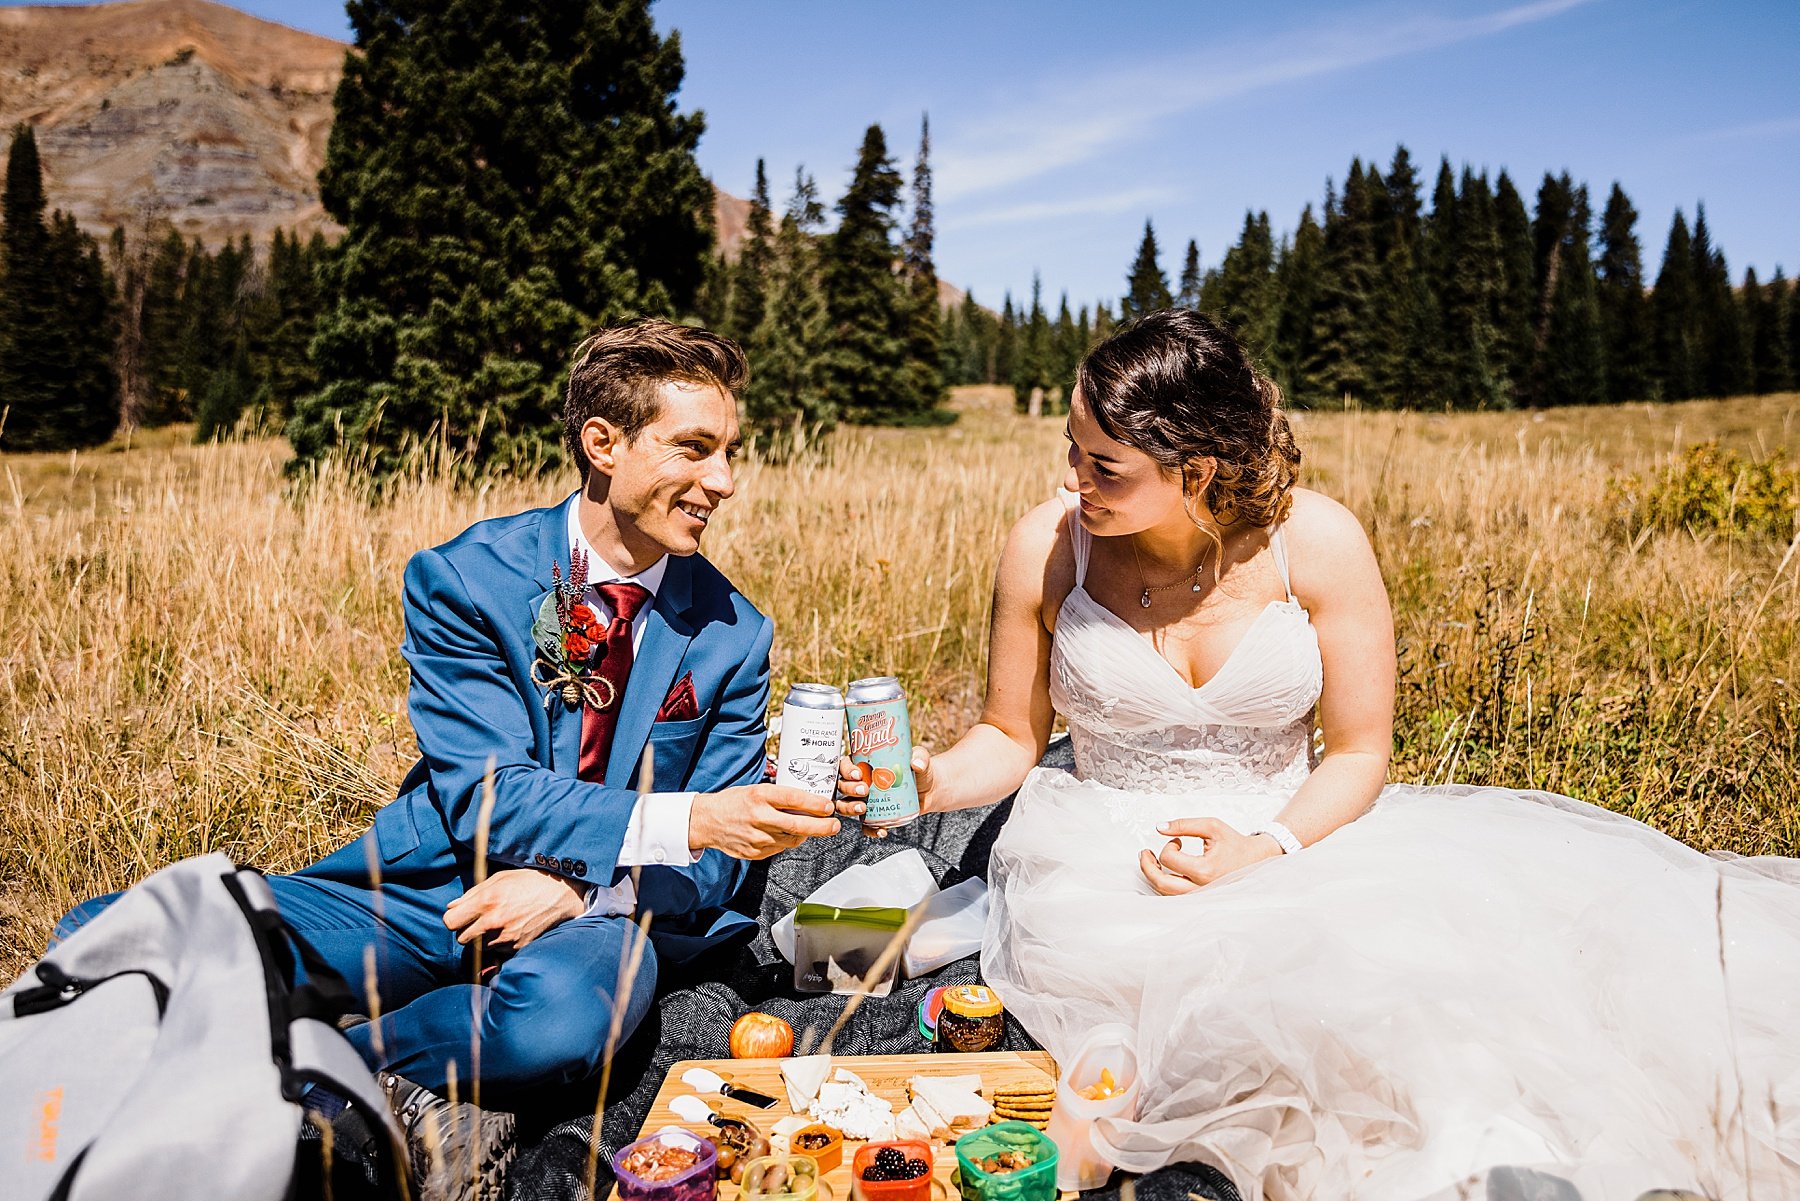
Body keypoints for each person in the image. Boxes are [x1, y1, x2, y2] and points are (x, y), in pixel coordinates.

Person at [838, 310, 1800, 1200]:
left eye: (1107, 467)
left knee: (1418, 1039)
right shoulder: (1048, 546)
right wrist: (927, 781)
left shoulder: (1320, 543)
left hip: (1295, 839)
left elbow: (1359, 752)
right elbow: (1009, 737)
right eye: (1073, 454)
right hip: (1095, 858)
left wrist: (1265, 847)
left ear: (1198, 466)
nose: (1074, 484)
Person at [56, 319, 843, 1194]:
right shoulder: (467, 580)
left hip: (605, 921)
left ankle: (325, 1057)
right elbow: (488, 795)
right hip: (430, 890)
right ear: (604, 443)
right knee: (112, 937)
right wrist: (690, 817)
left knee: (553, 1026)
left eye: (731, 451)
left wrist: (584, 887)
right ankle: (323, 1006)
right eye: (695, 448)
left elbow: (719, 866)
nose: (724, 482)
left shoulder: (736, 633)